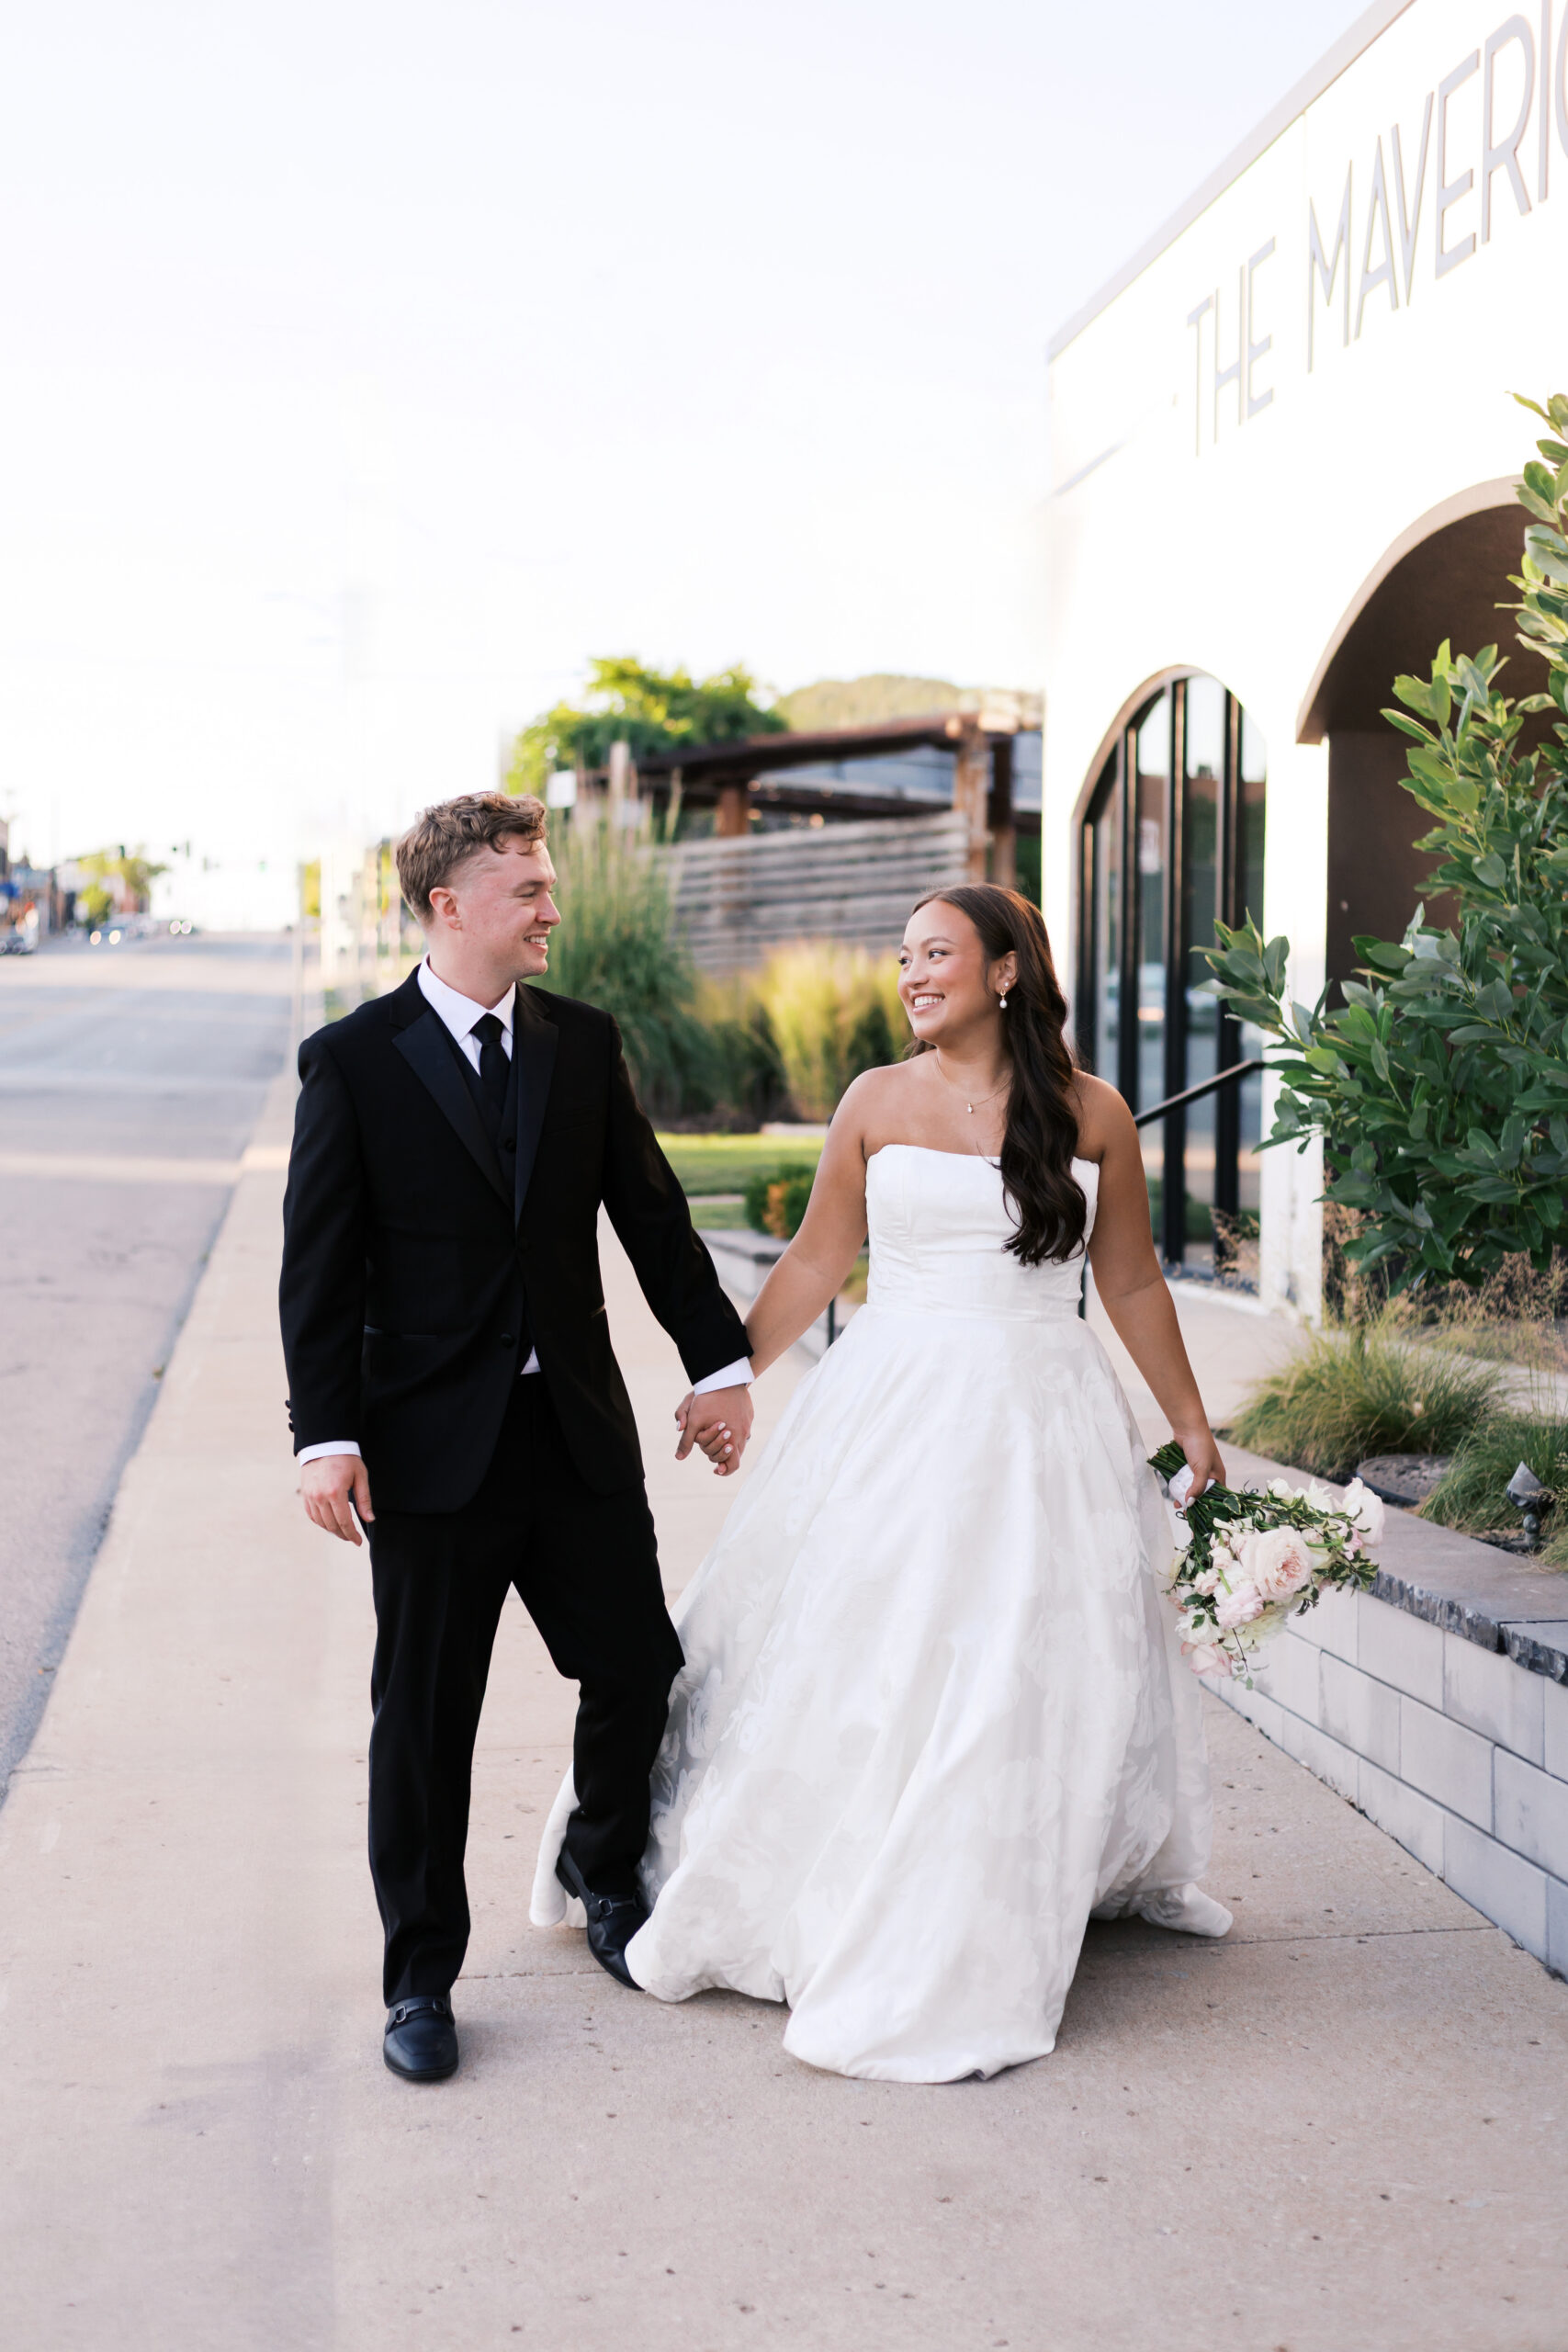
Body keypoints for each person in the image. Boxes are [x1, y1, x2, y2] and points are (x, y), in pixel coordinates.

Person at [533, 883, 1232, 2083]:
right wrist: (724, 1370)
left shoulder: (1090, 1111)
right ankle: (854, 1871)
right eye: (903, 957)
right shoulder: (873, 1100)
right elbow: (816, 1257)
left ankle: (989, 1878)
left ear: (1008, 972)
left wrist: (1190, 1423)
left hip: (1040, 1419)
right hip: (896, 1404)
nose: (911, 975)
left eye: (938, 954)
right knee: (879, 1639)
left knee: (1016, 1656)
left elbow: (1128, 1285)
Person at [279, 791, 755, 2084]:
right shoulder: (356, 1060)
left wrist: (721, 1365)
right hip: (427, 1452)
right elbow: (318, 1273)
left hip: (572, 1435)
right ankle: (419, 1980)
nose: (553, 908)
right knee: (426, 1722)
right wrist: (325, 1435)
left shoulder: (580, 1045)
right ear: (449, 905)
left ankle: (607, 1882)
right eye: (528, 890)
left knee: (639, 1664)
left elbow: (655, 1224)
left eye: (549, 887)